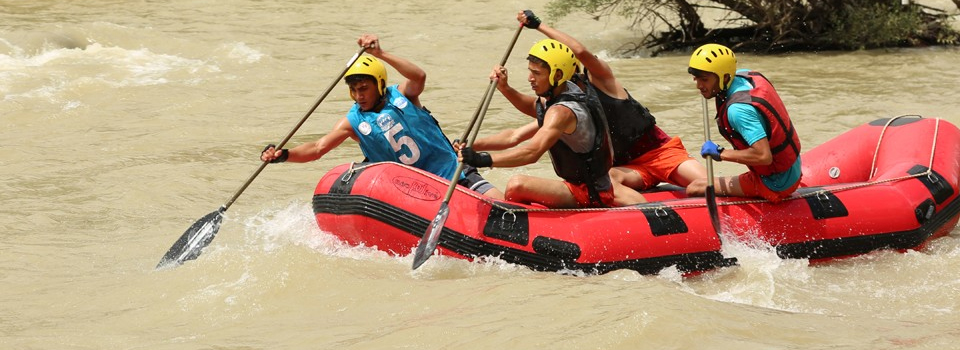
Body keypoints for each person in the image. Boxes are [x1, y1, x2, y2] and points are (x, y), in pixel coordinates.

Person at [261, 34, 503, 199]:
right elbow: (317, 148)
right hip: (418, 194)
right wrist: (284, 155)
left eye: (364, 88)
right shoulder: (352, 121)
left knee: (499, 202)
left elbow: (419, 76)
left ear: (379, 84)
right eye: (354, 90)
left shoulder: (404, 95)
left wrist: (381, 53)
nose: (359, 95)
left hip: (453, 173)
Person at [506, 10, 707, 205]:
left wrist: (539, 25)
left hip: (662, 153)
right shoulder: (569, 106)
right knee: (607, 179)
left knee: (705, 185)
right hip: (627, 169)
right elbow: (525, 123)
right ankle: (639, 214)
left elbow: (581, 52)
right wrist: (504, 87)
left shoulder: (602, 80)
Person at [457, 38, 615, 209]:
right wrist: (470, 145)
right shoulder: (560, 94)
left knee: (517, 185)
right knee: (517, 185)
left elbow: (531, 153)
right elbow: (513, 136)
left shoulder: (563, 112)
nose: (530, 78)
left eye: (537, 73)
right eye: (530, 71)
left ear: (558, 75)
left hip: (591, 193)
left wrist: (482, 159)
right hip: (580, 186)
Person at [685, 43, 802, 202]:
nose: (699, 86)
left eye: (704, 80)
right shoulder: (741, 76)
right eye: (696, 78)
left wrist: (721, 153)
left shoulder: (738, 111)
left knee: (695, 187)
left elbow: (763, 156)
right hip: (790, 167)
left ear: (725, 77)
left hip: (776, 183)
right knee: (701, 181)